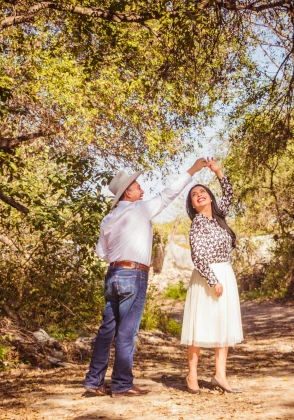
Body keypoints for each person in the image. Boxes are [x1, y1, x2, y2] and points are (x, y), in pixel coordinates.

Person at [83, 158, 209, 397]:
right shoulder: (139, 209)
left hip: (113, 274)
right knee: (126, 332)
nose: (142, 189)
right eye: (137, 186)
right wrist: (192, 170)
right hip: (134, 274)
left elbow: (101, 252)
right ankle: (121, 384)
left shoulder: (108, 218)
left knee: (106, 330)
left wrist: (119, 256)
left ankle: (94, 380)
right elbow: (168, 194)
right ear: (127, 194)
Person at [180, 158, 243, 394]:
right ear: (193, 205)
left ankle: (220, 375)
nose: (199, 194)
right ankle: (192, 375)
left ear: (210, 197)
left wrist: (217, 171)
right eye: (194, 194)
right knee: (200, 326)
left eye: (202, 191)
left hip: (225, 272)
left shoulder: (219, 216)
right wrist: (212, 280)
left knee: (223, 325)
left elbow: (228, 193)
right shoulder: (197, 223)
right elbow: (197, 255)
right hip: (208, 276)